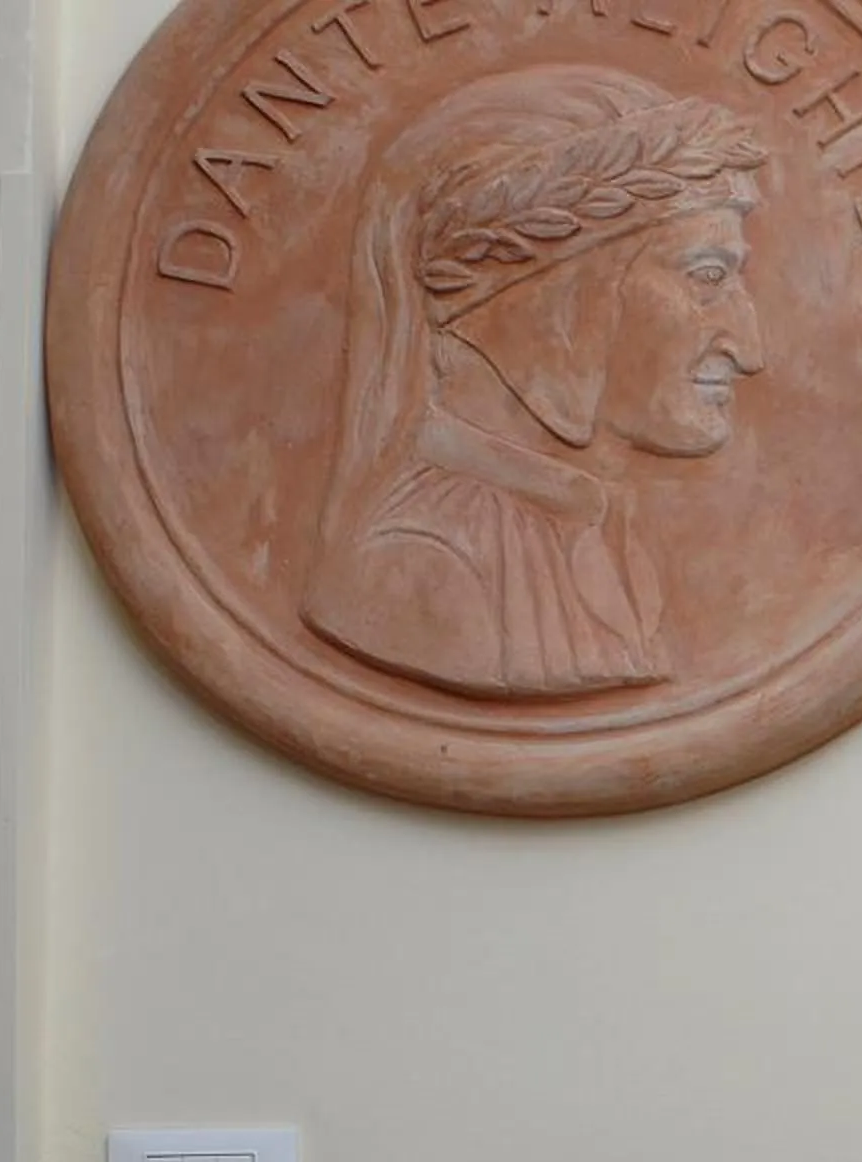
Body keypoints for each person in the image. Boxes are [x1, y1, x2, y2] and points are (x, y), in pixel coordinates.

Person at [303, 66, 772, 698]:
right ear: (556, 304)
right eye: (708, 276)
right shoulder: (429, 565)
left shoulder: (595, 530)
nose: (749, 349)